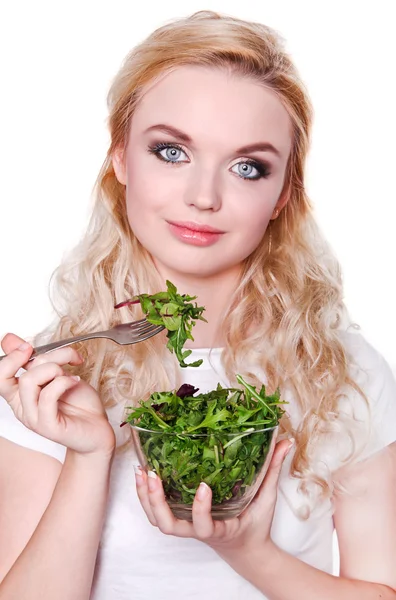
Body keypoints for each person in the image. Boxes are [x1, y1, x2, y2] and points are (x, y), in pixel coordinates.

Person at [0, 10, 395, 600]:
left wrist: (248, 550)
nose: (204, 196)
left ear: (283, 192)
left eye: (247, 167)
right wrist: (88, 456)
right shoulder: (55, 377)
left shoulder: (341, 371)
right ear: (120, 158)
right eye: (171, 152)